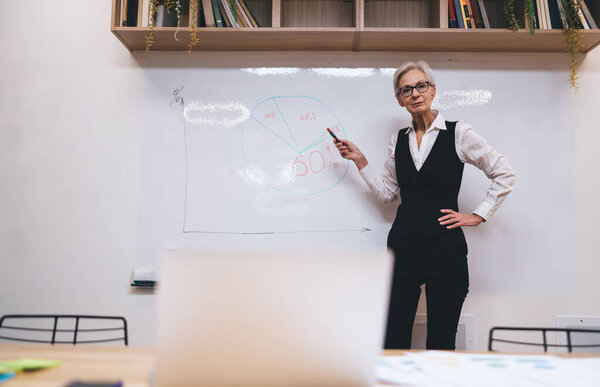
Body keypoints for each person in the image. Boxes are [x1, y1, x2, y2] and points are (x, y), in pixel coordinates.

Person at [334, 61, 515, 350]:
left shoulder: (459, 134)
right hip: (403, 248)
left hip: (446, 249)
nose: (415, 93)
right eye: (407, 90)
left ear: (432, 91)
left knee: (441, 340)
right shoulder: (399, 140)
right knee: (393, 337)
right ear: (400, 100)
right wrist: (360, 160)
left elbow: (503, 172)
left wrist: (478, 215)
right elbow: (387, 194)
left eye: (421, 86)